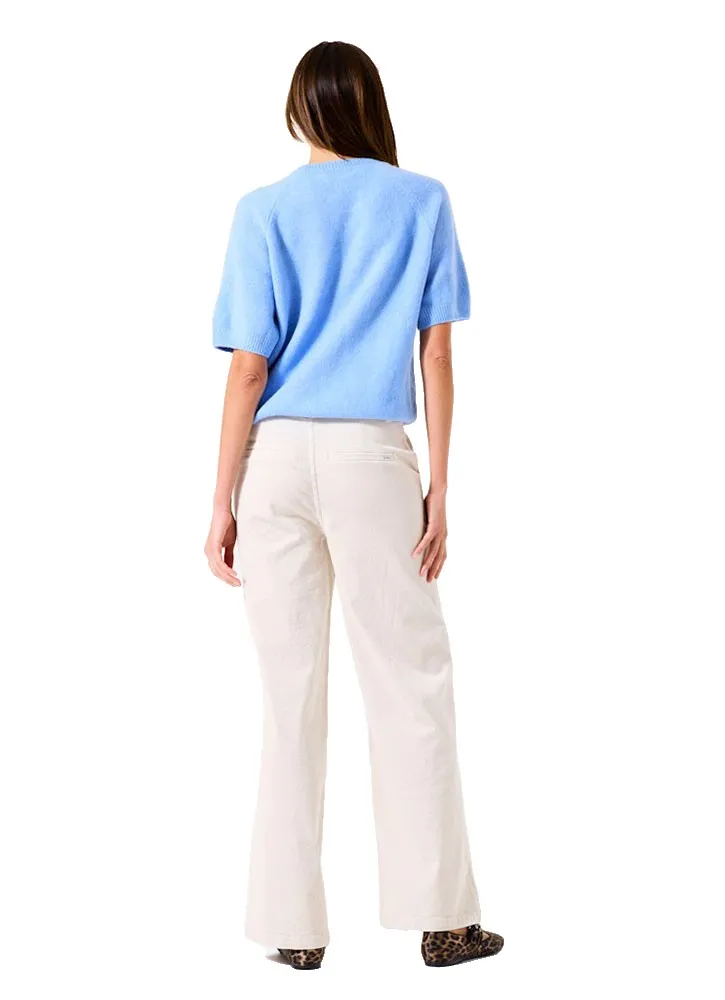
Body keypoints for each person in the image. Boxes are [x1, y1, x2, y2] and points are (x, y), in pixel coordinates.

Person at [204, 40, 503, 970]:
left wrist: (221, 499)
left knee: (289, 697)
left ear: (301, 109)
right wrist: (440, 486)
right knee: (410, 684)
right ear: (370, 103)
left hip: (275, 462)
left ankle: (293, 932)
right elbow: (436, 354)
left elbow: (248, 368)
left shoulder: (262, 210)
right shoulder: (422, 202)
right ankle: (443, 921)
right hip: (373, 456)